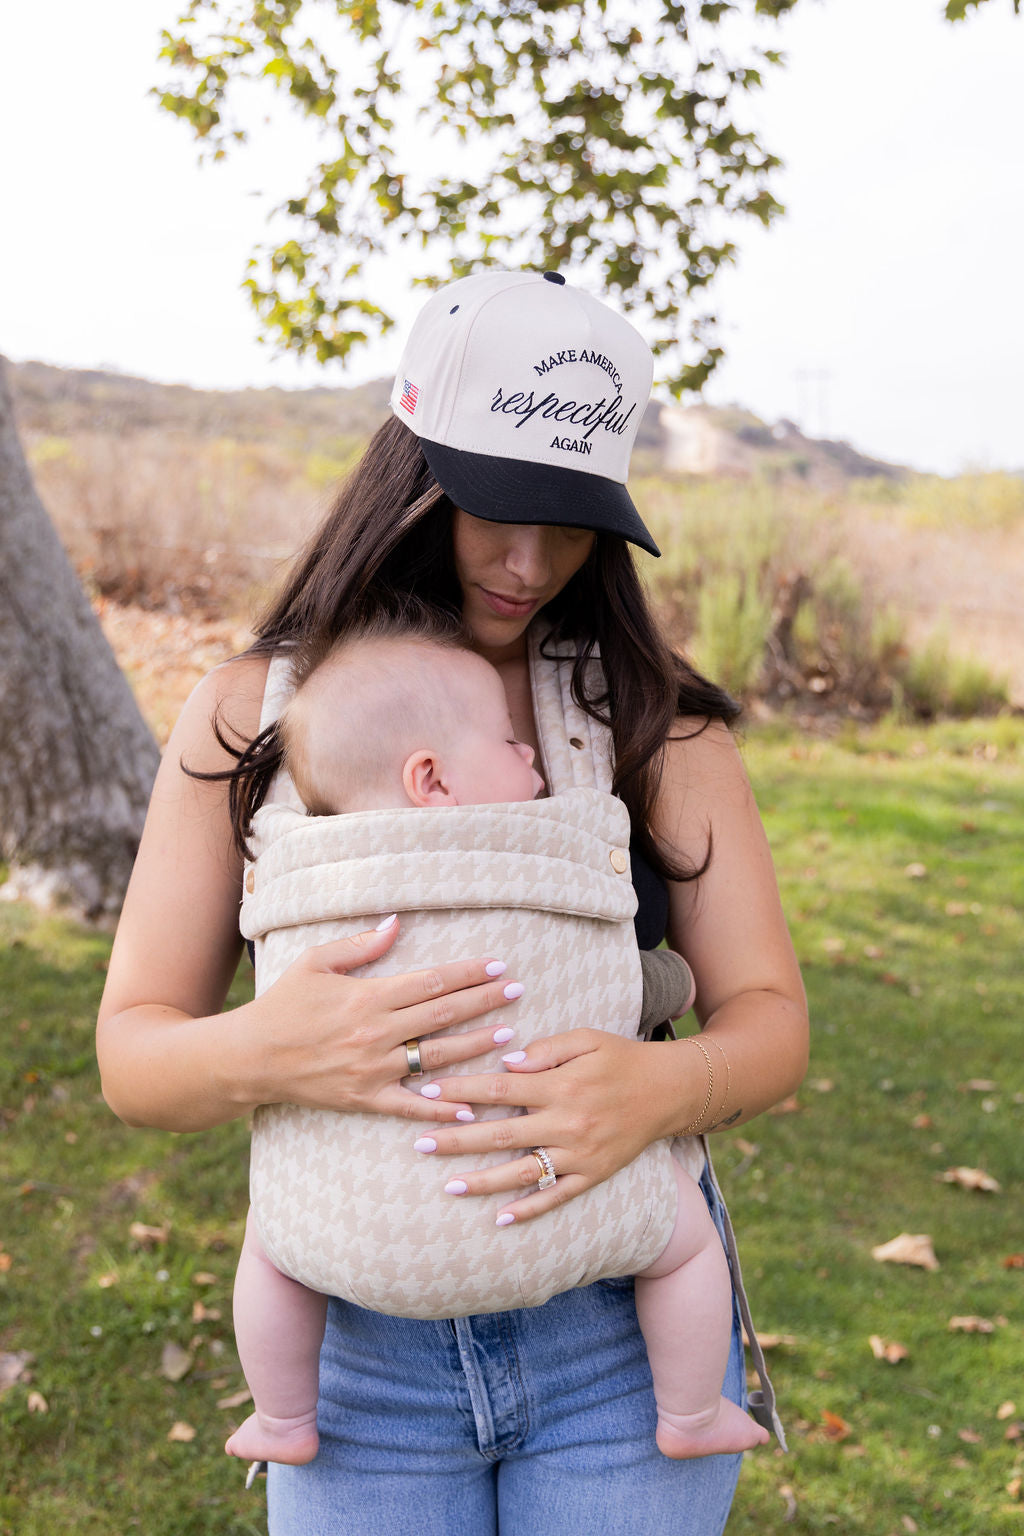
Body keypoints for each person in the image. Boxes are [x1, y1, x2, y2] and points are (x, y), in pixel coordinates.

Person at [97, 268, 808, 1536]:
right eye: (494, 509)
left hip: (623, 1345)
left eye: (573, 521)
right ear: (411, 469)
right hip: (355, 1357)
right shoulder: (249, 716)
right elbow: (134, 1054)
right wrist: (272, 1048)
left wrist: (657, 1088)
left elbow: (770, 1021)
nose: (530, 563)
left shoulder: (655, 728)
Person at [225, 618, 767, 1472]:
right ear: (432, 779)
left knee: (271, 1242)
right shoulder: (542, 855)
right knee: (684, 1238)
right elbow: (622, 984)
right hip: (569, 1219)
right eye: (513, 742)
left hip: (357, 1233)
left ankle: (282, 1416)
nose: (536, 764)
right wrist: (679, 989)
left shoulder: (306, 876)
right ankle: (692, 1412)